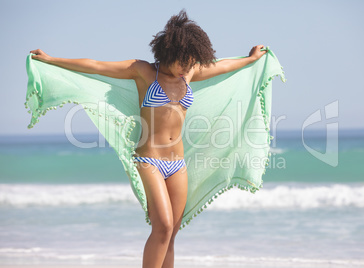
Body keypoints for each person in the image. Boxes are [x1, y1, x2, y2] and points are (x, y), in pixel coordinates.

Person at [30, 9, 267, 268]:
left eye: (191, 63)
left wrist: (250, 59)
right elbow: (95, 65)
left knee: (172, 234)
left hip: (178, 164)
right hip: (149, 160)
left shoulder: (188, 74)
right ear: (169, 52)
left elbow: (222, 66)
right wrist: (52, 60)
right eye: (183, 62)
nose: (186, 68)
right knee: (163, 226)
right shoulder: (143, 71)